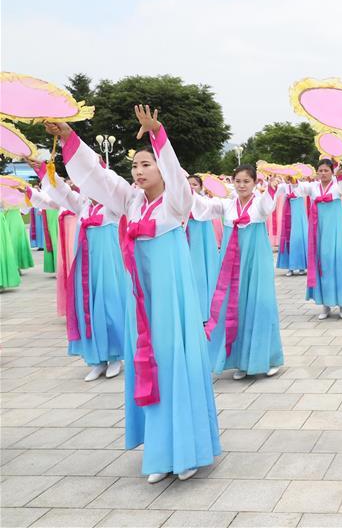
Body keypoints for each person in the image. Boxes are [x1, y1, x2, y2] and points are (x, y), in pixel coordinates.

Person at [44, 106, 221, 483]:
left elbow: (175, 173)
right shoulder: (131, 201)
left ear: (161, 169)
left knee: (174, 363)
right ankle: (159, 450)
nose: (138, 171)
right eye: (135, 166)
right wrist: (68, 138)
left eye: (146, 164)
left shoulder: (176, 203)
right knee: (148, 365)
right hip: (141, 303)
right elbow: (97, 176)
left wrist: (158, 134)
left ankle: (186, 449)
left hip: (171, 303)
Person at [27, 157, 130, 382]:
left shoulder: (113, 206)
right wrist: (42, 169)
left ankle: (115, 357)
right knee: (88, 307)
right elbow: (60, 192)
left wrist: (95, 166)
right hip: (85, 264)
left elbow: (109, 180)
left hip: (108, 265)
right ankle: (96, 359)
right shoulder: (81, 204)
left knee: (108, 305)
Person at [192, 165, 285, 379]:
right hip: (231, 263)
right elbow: (202, 206)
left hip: (255, 261)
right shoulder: (226, 205)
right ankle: (241, 361)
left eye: (246, 181)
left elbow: (268, 206)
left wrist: (272, 189)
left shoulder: (259, 203)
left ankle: (269, 358)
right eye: (238, 181)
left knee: (260, 304)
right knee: (235, 307)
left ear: (254, 183)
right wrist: (184, 189)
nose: (242, 185)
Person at [293, 159, 342, 319]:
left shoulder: (338, 186)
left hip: (336, 231)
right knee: (322, 264)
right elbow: (299, 190)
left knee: (339, 263)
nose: (323, 173)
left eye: (326, 170)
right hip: (319, 231)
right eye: (320, 171)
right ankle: (325, 305)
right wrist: (294, 178)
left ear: (332, 172)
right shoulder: (313, 187)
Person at [186, 174, 220, 316]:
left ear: (200, 187)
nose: (191, 187)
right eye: (188, 184)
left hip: (200, 242)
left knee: (202, 270)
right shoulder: (181, 202)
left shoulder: (205, 202)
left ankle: (205, 309)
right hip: (188, 243)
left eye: (194, 184)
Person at [276, 174, 309, 277]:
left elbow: (307, 192)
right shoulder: (284, 186)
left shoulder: (302, 185)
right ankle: (290, 267)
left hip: (298, 213)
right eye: (288, 177)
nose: (290, 178)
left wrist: (296, 183)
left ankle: (302, 266)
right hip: (288, 212)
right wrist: (273, 183)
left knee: (299, 237)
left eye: (291, 176)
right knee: (288, 237)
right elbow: (275, 193)